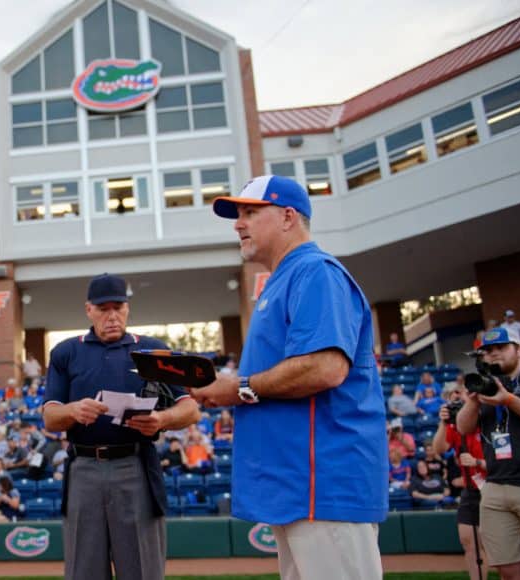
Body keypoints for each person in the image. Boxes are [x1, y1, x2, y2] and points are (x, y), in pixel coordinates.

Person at [193, 175, 387, 579]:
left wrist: (241, 388)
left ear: (287, 217)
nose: (238, 224)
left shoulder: (314, 271)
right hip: (300, 487)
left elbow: (325, 367)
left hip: (324, 484)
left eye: (249, 212)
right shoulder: (283, 279)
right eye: (237, 215)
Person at [43, 273, 200, 580]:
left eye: (119, 307)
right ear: (89, 310)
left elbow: (190, 409)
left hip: (135, 464)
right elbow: (50, 417)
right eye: (103, 309)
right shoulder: (66, 351)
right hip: (85, 466)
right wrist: (73, 410)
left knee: (142, 570)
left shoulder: (153, 350)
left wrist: (161, 420)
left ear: (128, 308)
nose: (112, 315)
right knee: (84, 571)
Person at [457, 327, 520, 580]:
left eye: (501, 348)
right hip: (495, 484)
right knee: (508, 571)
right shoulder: (487, 387)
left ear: (519, 350)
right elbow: (463, 427)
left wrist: (509, 400)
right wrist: (473, 400)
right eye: (488, 351)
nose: (493, 355)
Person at [433, 387, 489, 580]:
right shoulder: (455, 425)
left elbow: (509, 462)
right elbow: (439, 448)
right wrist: (443, 421)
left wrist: (478, 463)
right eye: (453, 396)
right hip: (472, 489)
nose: (456, 398)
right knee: (469, 542)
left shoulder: (489, 419)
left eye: (461, 393)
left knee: (503, 546)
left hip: (496, 487)